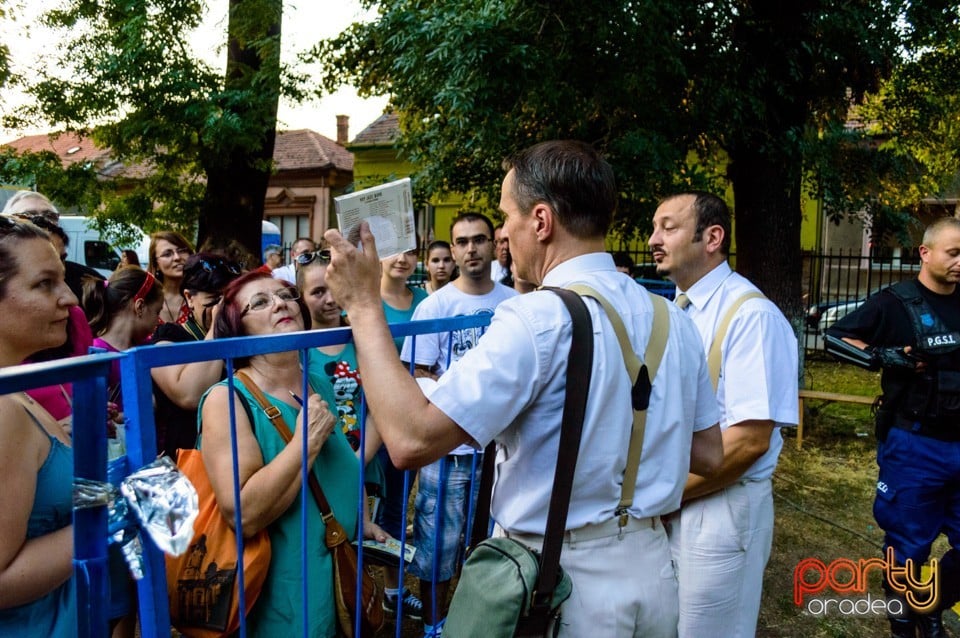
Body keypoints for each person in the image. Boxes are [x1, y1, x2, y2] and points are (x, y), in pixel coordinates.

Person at [323, 140, 722, 638]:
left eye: (506, 216)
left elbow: (410, 440)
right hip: (654, 572)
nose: (504, 233)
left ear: (541, 221)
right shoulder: (675, 321)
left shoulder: (537, 319)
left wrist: (362, 307)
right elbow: (708, 453)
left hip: (560, 585)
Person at [199, 271, 387, 637]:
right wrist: (305, 443)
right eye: (260, 302)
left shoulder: (315, 380)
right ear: (239, 328)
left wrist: (359, 517)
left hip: (334, 576)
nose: (281, 303)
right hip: (282, 596)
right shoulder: (227, 399)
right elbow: (243, 512)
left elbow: (342, 464)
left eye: (284, 294)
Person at [649, 191, 799, 638]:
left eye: (668, 227)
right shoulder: (676, 312)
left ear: (712, 237)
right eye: (655, 227)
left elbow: (749, 441)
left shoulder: (752, 317)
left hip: (719, 510)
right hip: (678, 500)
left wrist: (665, 495)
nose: (654, 238)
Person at [826, 216, 960, 638]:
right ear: (925, 252)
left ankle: (933, 601)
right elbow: (836, 338)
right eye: (953, 252)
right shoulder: (895, 302)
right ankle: (907, 626)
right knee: (906, 549)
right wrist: (886, 356)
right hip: (914, 446)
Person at [400, 212, 518, 635]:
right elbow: (418, 373)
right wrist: (467, 404)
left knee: (493, 542)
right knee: (438, 547)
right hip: (449, 451)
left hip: (502, 448)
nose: (471, 249)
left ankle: (479, 622)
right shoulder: (436, 306)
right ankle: (434, 626)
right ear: (452, 250)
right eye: (463, 241)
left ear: (493, 245)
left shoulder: (513, 303)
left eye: (480, 240)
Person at [0, 216, 77, 637]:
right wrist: (115, 517)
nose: (69, 299)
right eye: (45, 283)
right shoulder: (4, 409)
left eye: (62, 279)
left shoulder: (19, 387)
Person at [150, 253, 242, 458]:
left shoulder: (243, 336)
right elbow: (190, 394)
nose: (223, 308)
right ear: (189, 298)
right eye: (214, 300)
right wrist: (218, 329)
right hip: (189, 461)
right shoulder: (168, 337)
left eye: (229, 300)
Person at [379, 246, 429, 351]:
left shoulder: (423, 298)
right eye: (394, 250)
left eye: (410, 252)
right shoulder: (365, 300)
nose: (402, 259)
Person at [148, 230, 194, 324]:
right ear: (156, 264)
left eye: (181, 251)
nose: (177, 257)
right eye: (167, 254)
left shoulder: (201, 296)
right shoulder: (147, 300)